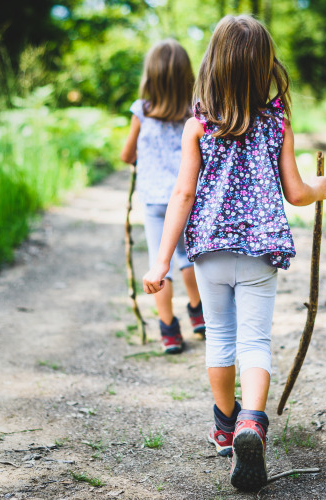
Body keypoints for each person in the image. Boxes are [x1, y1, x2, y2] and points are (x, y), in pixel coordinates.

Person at [142, 15, 326, 491]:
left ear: (214, 65)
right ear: (264, 67)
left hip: (206, 250)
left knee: (220, 338)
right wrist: (320, 188)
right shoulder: (277, 124)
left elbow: (182, 197)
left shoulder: (199, 126)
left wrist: (162, 261)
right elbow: (295, 192)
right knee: (255, 341)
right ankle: (253, 421)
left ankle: (225, 427)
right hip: (259, 250)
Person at [120, 39, 205, 355]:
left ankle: (169, 330)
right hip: (187, 197)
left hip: (155, 201)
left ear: (150, 76)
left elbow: (127, 154)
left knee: (161, 263)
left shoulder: (141, 111)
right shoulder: (194, 112)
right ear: (187, 76)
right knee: (187, 257)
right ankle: (198, 313)